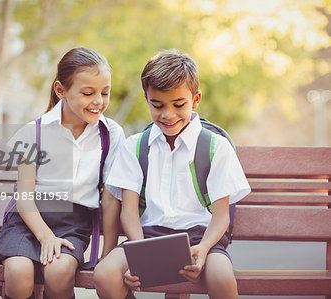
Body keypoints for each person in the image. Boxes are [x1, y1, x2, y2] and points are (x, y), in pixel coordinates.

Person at [93, 49, 251, 299]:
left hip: (201, 237)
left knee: (222, 278)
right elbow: (129, 211)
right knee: (105, 274)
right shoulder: (134, 146)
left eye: (179, 105)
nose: (168, 115)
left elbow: (221, 217)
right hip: (148, 236)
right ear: (147, 99)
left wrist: (204, 248)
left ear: (196, 99)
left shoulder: (215, 147)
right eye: (157, 105)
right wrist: (140, 251)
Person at [0, 47, 124, 299]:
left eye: (105, 92)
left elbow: (109, 197)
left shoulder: (111, 134)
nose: (98, 101)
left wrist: (107, 253)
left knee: (58, 272)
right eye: (87, 93)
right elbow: (25, 197)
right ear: (60, 90)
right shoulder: (34, 133)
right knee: (19, 273)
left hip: (73, 224)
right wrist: (46, 236)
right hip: (27, 221)